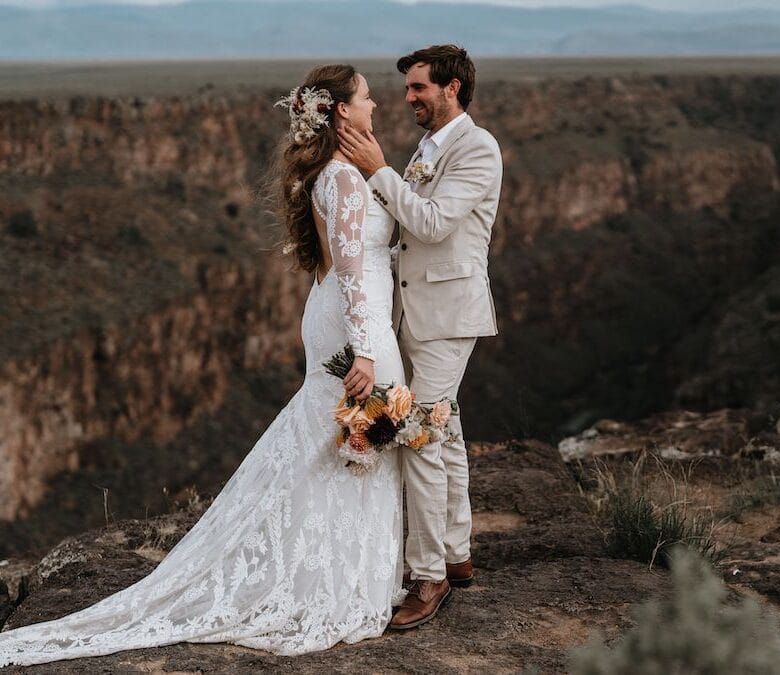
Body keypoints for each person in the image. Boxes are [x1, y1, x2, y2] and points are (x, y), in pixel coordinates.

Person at [0, 64, 406, 666]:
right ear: (341, 111)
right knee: (354, 440)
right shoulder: (345, 180)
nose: (377, 105)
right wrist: (368, 349)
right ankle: (332, 584)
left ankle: (334, 569)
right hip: (355, 323)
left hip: (337, 316)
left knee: (339, 441)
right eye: (368, 97)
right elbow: (350, 271)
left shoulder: (331, 172)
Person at [336, 43, 502, 630]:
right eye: (406, 88)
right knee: (445, 428)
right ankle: (456, 555)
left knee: (421, 438)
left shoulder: (477, 149)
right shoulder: (429, 149)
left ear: (452, 88)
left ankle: (427, 576)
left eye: (419, 88)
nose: (409, 99)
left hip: (448, 316)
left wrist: (378, 169)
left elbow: (430, 225)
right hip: (414, 314)